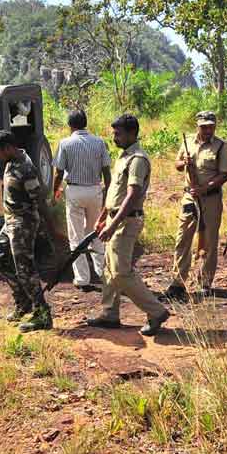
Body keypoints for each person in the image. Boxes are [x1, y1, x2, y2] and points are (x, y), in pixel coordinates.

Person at [86, 114, 170, 336]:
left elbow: (131, 196)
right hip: (115, 218)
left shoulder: (138, 160)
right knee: (108, 269)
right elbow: (114, 192)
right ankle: (109, 313)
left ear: (132, 133)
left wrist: (113, 225)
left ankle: (157, 311)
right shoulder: (123, 157)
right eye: (114, 133)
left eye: (118, 133)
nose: (114, 137)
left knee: (121, 272)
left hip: (126, 221)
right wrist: (103, 216)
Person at [162, 110, 227, 300]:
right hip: (189, 199)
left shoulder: (221, 146)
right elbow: (176, 164)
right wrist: (183, 163)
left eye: (211, 126)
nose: (207, 129)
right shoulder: (188, 142)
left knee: (209, 241)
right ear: (197, 126)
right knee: (182, 239)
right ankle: (178, 283)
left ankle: (205, 283)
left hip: (210, 199)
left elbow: (225, 174)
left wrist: (205, 188)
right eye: (204, 126)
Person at [0, 130, 52, 333]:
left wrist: (49, 228)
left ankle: (43, 315)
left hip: (23, 224)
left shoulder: (26, 168)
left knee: (25, 270)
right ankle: (23, 302)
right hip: (10, 221)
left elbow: (39, 200)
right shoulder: (11, 163)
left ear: (8, 148)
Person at [51, 109, 112, 292]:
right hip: (95, 190)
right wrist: (107, 193)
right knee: (96, 232)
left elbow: (59, 172)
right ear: (85, 123)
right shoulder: (99, 142)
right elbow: (107, 173)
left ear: (70, 125)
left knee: (76, 236)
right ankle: (103, 272)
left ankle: (82, 278)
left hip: (75, 191)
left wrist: (55, 191)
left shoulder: (65, 143)